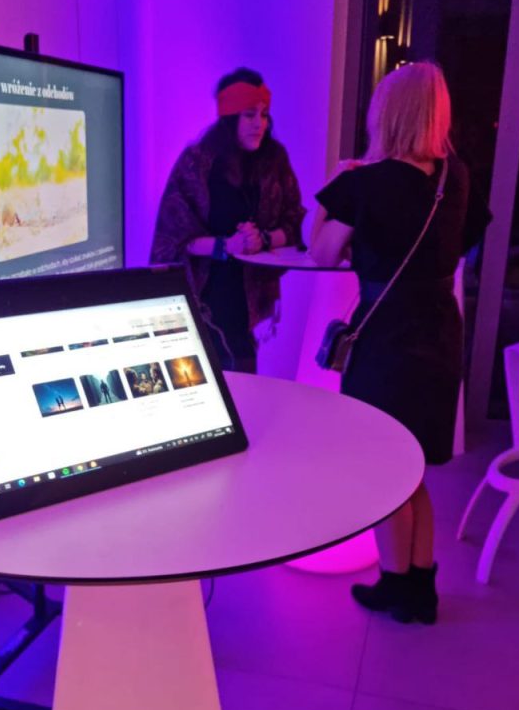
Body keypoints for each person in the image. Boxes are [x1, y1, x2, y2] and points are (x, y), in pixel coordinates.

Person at [310, 62, 491, 625]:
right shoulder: (455, 178)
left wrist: (336, 186)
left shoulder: (364, 183)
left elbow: (320, 251)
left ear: (387, 113)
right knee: (413, 470)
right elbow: (461, 245)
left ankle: (395, 588)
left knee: (385, 468)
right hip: (439, 332)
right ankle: (420, 590)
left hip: (386, 339)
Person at [150, 67, 306, 373]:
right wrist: (227, 245)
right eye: (249, 115)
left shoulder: (275, 159)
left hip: (250, 297)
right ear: (230, 117)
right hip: (206, 294)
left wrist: (263, 239)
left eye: (264, 115)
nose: (259, 124)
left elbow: (295, 224)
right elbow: (173, 238)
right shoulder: (197, 161)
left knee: (245, 376)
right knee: (199, 375)